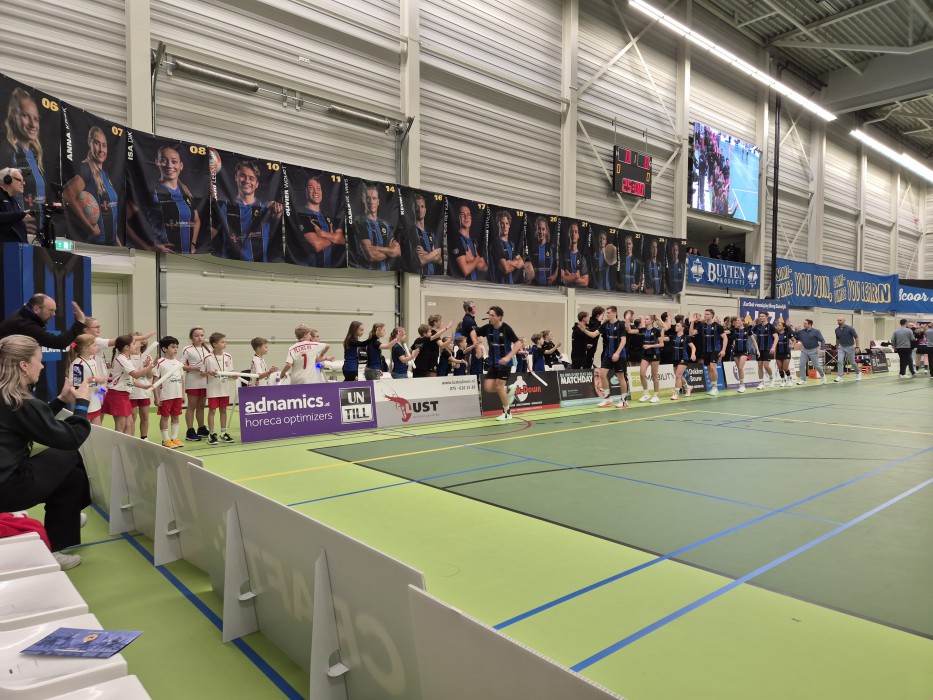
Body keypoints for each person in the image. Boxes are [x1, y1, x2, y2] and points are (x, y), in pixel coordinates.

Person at [0, 335, 92, 570]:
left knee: (72, 478)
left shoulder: (8, 398)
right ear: (24, 365)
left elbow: (33, 421)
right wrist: (82, 403)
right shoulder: (19, 402)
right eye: (39, 361)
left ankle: (60, 536)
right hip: (7, 488)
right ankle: (63, 532)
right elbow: (72, 438)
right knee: (69, 454)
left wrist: (61, 400)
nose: (42, 366)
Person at [212, 161, 283, 262]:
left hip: (258, 267)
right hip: (229, 265)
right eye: (242, 176)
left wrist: (278, 211)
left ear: (257, 184)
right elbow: (211, 234)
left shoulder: (266, 209)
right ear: (236, 177)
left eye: (251, 178)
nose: (246, 181)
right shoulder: (224, 207)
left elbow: (277, 224)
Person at [62, 127, 120, 245]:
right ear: (89, 143)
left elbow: (112, 214)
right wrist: (90, 228)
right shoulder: (86, 169)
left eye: (104, 145)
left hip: (112, 246)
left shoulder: (105, 174)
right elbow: (67, 194)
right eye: (96, 143)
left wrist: (119, 245)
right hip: (97, 245)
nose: (101, 149)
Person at [2, 88, 45, 237]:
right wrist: (16, 219)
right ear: (14, 115)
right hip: (16, 234)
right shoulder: (7, 151)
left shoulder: (36, 154)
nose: (33, 124)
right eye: (26, 116)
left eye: (36, 118)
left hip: (37, 235)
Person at [149, 145, 201, 254]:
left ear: (181, 165)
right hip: (161, 258)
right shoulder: (151, 191)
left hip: (186, 257)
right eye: (164, 160)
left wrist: (193, 244)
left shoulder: (186, 191)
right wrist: (150, 245)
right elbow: (131, 222)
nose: (169, 165)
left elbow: (196, 220)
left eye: (174, 161)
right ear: (157, 162)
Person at [474, 306, 521, 421]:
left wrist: (508, 357)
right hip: (493, 364)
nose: (489, 317)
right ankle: (508, 389)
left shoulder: (506, 329)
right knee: (488, 387)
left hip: (505, 364)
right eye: (489, 315)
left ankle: (507, 413)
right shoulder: (487, 328)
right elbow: (473, 332)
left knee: (499, 386)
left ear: (499, 317)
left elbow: (518, 343)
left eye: (492, 315)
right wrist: (476, 345)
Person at [101, 335, 153, 435]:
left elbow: (132, 380)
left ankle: (126, 444)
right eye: (133, 343)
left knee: (129, 423)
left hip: (124, 395)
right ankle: (118, 444)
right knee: (121, 425)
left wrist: (144, 386)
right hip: (117, 394)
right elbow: (135, 374)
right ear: (126, 347)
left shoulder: (127, 359)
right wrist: (150, 366)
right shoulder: (122, 359)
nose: (136, 346)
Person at [0, 294, 86, 350]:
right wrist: (80, 322)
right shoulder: (25, 324)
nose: (54, 314)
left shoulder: (24, 314)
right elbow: (59, 342)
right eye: (50, 310)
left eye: (54, 310)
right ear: (36, 309)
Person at [296, 175, 346, 268]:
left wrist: (323, 234)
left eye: (318, 188)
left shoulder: (328, 215)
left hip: (330, 270)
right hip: (310, 270)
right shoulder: (302, 214)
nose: (316, 191)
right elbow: (317, 245)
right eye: (311, 188)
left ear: (322, 191)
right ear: (306, 191)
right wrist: (333, 238)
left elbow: (342, 239)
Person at [356, 183, 400, 271]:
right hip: (365, 275)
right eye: (368, 198)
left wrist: (376, 248)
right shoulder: (359, 222)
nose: (371, 201)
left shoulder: (385, 224)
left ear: (378, 201)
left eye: (374, 198)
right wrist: (389, 251)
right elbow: (371, 255)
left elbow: (397, 251)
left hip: (386, 275)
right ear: (364, 200)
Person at [152, 336, 185, 448]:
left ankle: (174, 438)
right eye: (173, 347)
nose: (175, 349)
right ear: (164, 349)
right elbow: (155, 381)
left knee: (176, 416)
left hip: (177, 395)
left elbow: (182, 379)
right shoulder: (160, 362)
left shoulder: (179, 363)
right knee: (165, 417)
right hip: (165, 396)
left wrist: (183, 394)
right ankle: (165, 439)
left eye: (177, 347)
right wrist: (156, 397)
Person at [202, 331, 234, 444]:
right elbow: (202, 373)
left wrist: (233, 376)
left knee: (223, 410)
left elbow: (230, 372)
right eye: (222, 342)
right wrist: (208, 373)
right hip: (213, 389)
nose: (225, 344)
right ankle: (211, 434)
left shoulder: (228, 356)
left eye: (225, 342)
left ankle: (223, 433)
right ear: (214, 344)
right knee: (212, 410)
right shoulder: (208, 357)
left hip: (224, 388)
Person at [67, 334, 106, 425]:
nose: (97, 347)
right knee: (85, 431)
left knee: (97, 430)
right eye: (94, 345)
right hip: (84, 406)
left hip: (95, 403)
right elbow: (75, 385)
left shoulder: (93, 361)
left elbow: (96, 384)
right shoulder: (78, 364)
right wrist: (93, 379)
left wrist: (103, 390)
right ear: (85, 348)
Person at [596, 306, 629, 409]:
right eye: (607, 313)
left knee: (621, 377)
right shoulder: (605, 325)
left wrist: (617, 353)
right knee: (602, 374)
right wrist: (584, 330)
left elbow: (623, 340)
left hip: (620, 355)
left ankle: (624, 400)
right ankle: (607, 398)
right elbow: (594, 334)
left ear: (614, 313)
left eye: (609, 313)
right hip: (608, 354)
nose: (607, 314)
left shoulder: (621, 324)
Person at [181, 327, 210, 441]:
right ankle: (190, 431)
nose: (199, 338)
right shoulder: (187, 349)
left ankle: (201, 428)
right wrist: (194, 368)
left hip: (205, 381)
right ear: (191, 337)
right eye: (196, 335)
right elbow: (181, 366)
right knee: (192, 406)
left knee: (201, 406)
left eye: (202, 335)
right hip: (193, 380)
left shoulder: (208, 349)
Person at [691, 309, 726, 396]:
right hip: (706, 350)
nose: (705, 315)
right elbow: (691, 333)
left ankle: (715, 388)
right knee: (708, 368)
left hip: (715, 349)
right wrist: (692, 322)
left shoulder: (718, 326)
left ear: (712, 315)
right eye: (705, 314)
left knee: (713, 366)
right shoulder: (702, 326)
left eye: (707, 314)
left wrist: (723, 350)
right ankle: (713, 387)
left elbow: (725, 338)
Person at [406, 192, 442, 275]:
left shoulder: (431, 234)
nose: (419, 209)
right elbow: (420, 261)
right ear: (413, 209)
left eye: (422, 206)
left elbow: (440, 260)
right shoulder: (411, 233)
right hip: (416, 278)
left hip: (432, 279)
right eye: (417, 206)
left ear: (425, 210)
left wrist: (426, 254)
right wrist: (435, 252)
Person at [450, 203, 487, 280]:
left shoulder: (474, 241)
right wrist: (477, 259)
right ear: (459, 217)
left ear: (471, 218)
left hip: (475, 284)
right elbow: (466, 270)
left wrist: (472, 258)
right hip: (461, 285)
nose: (466, 217)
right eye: (462, 214)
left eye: (468, 214)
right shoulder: (456, 239)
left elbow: (485, 267)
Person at [488, 209, 523, 284]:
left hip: (511, 286)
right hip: (499, 287)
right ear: (498, 224)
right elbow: (506, 269)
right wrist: (515, 264)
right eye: (502, 223)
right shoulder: (496, 244)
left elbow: (521, 262)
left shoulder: (511, 244)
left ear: (509, 225)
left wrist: (509, 262)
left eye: (507, 223)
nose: (505, 226)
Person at [0, 167, 32, 243]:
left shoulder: (13, 200)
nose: (23, 183)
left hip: (17, 246)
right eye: (20, 180)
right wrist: (19, 215)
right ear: (7, 179)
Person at [727, 317, 758, 393]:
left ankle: (742, 385)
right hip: (735, 351)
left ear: (742, 322)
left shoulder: (747, 330)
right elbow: (725, 332)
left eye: (738, 320)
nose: (737, 322)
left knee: (740, 367)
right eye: (736, 320)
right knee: (739, 368)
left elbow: (754, 340)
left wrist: (757, 350)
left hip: (744, 351)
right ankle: (741, 383)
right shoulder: (734, 330)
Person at [638, 315, 664, 403]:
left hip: (655, 355)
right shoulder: (642, 330)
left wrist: (650, 346)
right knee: (642, 374)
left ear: (652, 321)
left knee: (654, 376)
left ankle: (656, 395)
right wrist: (627, 319)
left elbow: (661, 344)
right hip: (645, 355)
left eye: (647, 319)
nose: (645, 320)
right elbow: (630, 331)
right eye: (645, 319)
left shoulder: (656, 331)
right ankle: (646, 394)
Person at [794, 319, 827, 384]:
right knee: (801, 365)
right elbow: (793, 334)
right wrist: (789, 326)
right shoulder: (801, 331)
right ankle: (803, 380)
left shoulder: (816, 331)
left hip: (813, 350)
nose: (803, 325)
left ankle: (823, 376)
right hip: (805, 350)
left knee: (816, 365)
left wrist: (822, 349)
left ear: (810, 324)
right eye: (803, 324)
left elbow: (822, 340)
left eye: (805, 324)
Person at [527, 216, 557, 286]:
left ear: (546, 231)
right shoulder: (533, 248)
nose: (541, 232)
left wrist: (554, 275)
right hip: (535, 285)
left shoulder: (552, 248)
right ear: (537, 230)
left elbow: (559, 264)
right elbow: (528, 263)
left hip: (548, 285)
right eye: (539, 229)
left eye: (543, 229)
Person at [669, 320, 695, 400]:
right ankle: (688, 387)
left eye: (678, 326)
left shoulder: (686, 337)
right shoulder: (673, 336)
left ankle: (676, 394)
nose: (676, 327)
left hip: (684, 358)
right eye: (676, 325)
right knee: (679, 376)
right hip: (675, 358)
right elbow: (662, 338)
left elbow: (693, 347)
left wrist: (693, 354)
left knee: (678, 375)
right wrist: (663, 328)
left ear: (682, 328)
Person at [752, 312, 778, 389]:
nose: (761, 317)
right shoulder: (757, 326)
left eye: (762, 316)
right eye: (760, 316)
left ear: (767, 317)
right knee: (760, 365)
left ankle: (772, 379)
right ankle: (761, 383)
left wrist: (773, 347)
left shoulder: (771, 326)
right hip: (759, 349)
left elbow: (776, 337)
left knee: (766, 365)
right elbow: (751, 334)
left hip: (768, 348)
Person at [560, 222, 590, 288]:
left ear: (578, 235)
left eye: (575, 232)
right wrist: (576, 276)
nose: (573, 234)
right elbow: (563, 279)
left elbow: (585, 282)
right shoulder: (563, 255)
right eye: (571, 232)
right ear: (569, 234)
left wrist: (569, 276)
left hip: (578, 292)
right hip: (565, 291)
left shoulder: (581, 258)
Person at [833, 317, 861, 382]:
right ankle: (839, 376)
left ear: (844, 321)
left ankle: (858, 373)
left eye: (840, 320)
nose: (839, 321)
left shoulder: (850, 328)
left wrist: (857, 347)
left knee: (852, 362)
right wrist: (837, 348)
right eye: (838, 320)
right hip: (841, 347)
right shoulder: (836, 330)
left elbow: (856, 338)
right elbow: (837, 339)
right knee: (840, 361)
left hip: (850, 347)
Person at [773, 320, 795, 386]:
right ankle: (783, 381)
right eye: (777, 325)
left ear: (783, 327)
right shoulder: (776, 334)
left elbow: (794, 340)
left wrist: (792, 345)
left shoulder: (788, 333)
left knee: (785, 368)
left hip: (786, 353)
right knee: (780, 368)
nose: (778, 327)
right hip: (778, 353)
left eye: (780, 325)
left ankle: (789, 379)